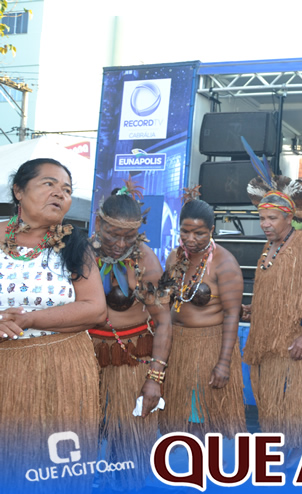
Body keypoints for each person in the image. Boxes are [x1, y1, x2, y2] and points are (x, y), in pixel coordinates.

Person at [0, 158, 106, 492]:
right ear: (19, 190)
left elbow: (95, 309)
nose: (60, 193)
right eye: (49, 184)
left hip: (62, 369)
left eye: (67, 190)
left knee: (56, 469)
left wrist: (31, 319)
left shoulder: (75, 246)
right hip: (5, 369)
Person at [88, 179, 173, 490]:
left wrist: (155, 379)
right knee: (80, 438)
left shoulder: (145, 260)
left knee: (128, 445)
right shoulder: (82, 256)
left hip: (131, 361)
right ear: (99, 224)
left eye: (129, 236)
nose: (120, 244)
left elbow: (164, 322)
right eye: (113, 234)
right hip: (86, 361)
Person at [243, 173, 302, 468]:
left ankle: (298, 446)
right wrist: (255, 309)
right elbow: (276, 289)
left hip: (294, 336)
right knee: (270, 396)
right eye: (262, 218)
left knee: (294, 397)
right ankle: (280, 444)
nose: (265, 224)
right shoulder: (268, 247)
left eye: (272, 218)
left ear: (289, 218)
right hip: (267, 338)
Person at [160, 187, 246, 439]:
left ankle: (204, 458)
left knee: (202, 421)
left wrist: (223, 363)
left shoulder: (225, 263)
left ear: (211, 231)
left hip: (208, 347)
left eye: (199, 233)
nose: (191, 238)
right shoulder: (174, 259)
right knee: (176, 419)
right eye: (185, 231)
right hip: (177, 346)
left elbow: (232, 315)